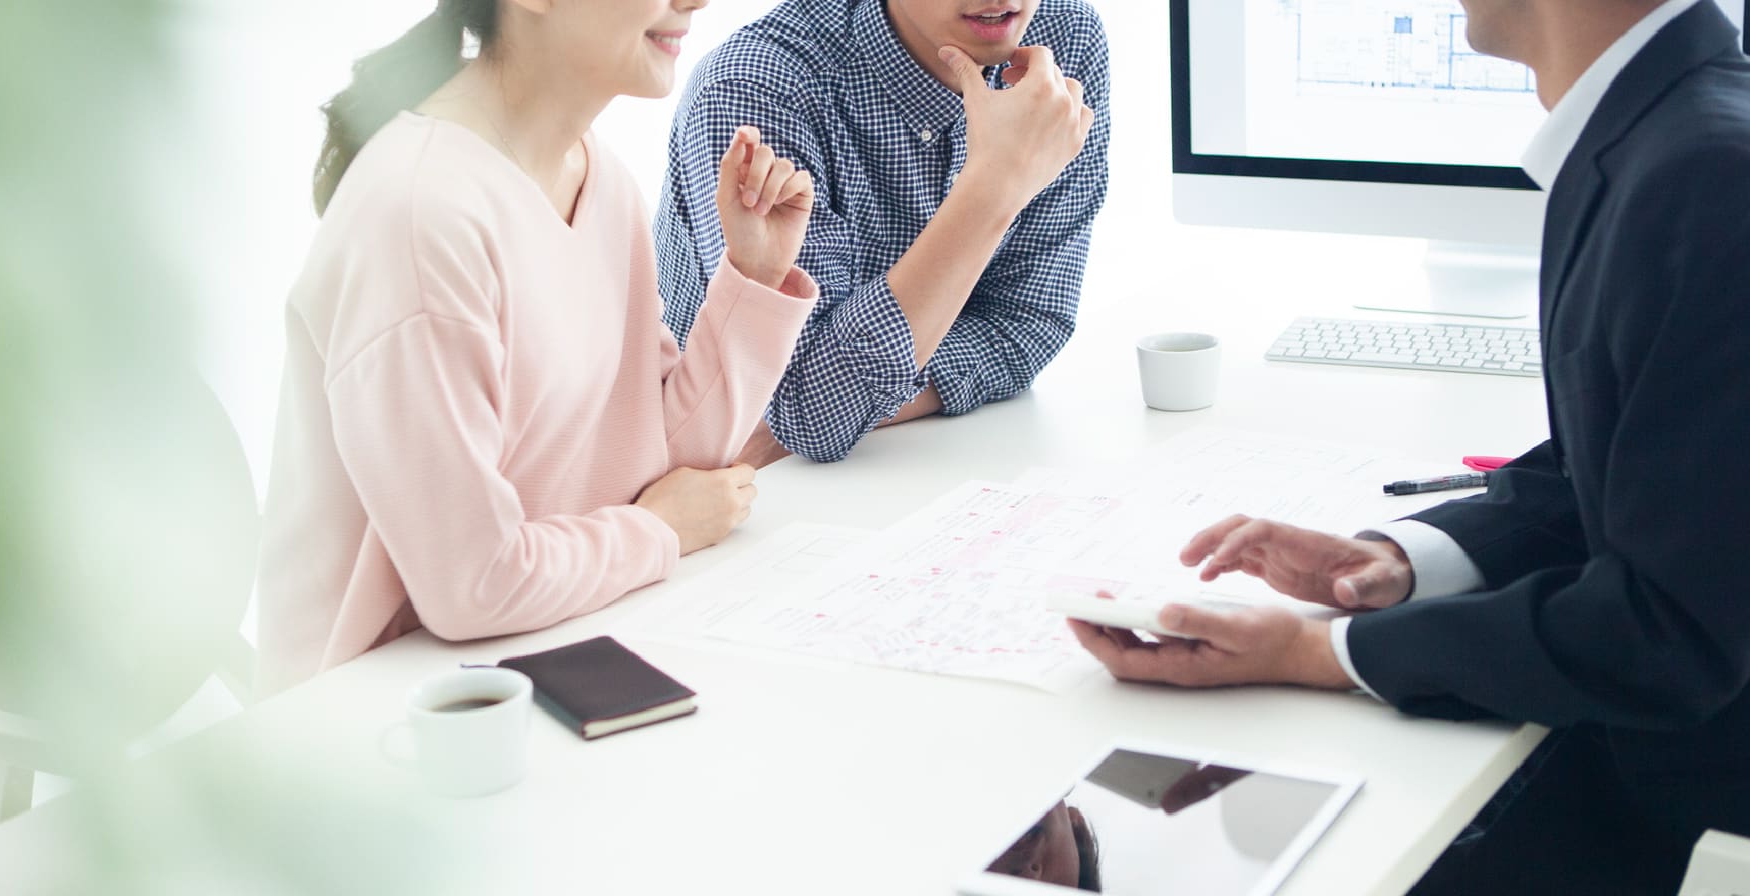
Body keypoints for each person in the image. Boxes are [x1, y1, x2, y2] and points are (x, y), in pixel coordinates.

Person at [1067, 1, 1750, 891]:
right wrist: (1398, 562)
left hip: (1680, 797)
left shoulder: (1706, 177)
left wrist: (1319, 655)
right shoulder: (1665, 129)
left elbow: (1668, 635)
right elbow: (1625, 467)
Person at [257, 0, 822, 691]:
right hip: (385, 714)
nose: (695, 2)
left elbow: (661, 468)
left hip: (541, 647)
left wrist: (754, 277)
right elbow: (474, 585)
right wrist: (658, 533)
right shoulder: (418, 215)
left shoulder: (598, 177)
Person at [654, 0, 1108, 464]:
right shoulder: (758, 85)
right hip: (717, 494)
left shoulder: (1062, 35)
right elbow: (814, 415)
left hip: (923, 467)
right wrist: (994, 187)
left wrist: (856, 397)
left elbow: (1027, 325)